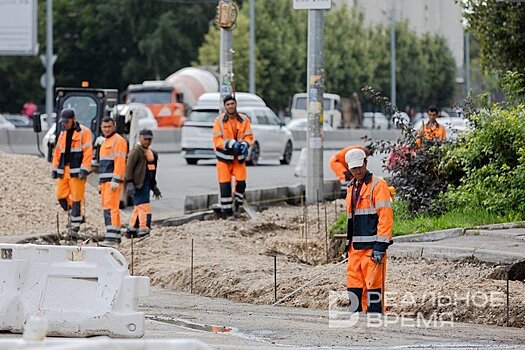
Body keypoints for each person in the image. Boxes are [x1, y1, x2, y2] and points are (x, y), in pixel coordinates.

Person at [344, 148, 393, 314]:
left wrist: (380, 246)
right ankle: (356, 324)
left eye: (359, 167)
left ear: (366, 163)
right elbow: (352, 219)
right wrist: (347, 246)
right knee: (354, 285)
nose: (357, 171)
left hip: (372, 248)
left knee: (374, 287)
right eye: (353, 168)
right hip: (355, 248)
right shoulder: (351, 187)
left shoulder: (378, 185)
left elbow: (385, 217)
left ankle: (375, 320)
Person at [51, 109, 93, 236]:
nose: (65, 124)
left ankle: (74, 229)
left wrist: (85, 169)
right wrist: (54, 168)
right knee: (60, 195)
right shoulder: (63, 134)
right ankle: (77, 216)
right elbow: (57, 152)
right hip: (64, 170)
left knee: (76, 199)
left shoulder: (84, 132)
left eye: (67, 122)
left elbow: (88, 152)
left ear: (73, 119)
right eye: (63, 122)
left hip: (77, 171)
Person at [212, 95, 254, 218]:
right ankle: (228, 213)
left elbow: (249, 136)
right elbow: (217, 140)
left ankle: (237, 202)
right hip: (224, 159)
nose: (230, 106)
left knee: (241, 183)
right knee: (225, 186)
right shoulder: (219, 121)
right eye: (228, 104)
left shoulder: (244, 120)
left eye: (232, 104)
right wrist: (231, 144)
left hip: (238, 159)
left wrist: (245, 144)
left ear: (236, 104)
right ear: (224, 107)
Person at [125, 129, 162, 239]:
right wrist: (130, 182)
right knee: (143, 207)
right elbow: (129, 169)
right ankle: (143, 227)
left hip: (145, 183)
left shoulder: (152, 153)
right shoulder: (136, 152)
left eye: (149, 139)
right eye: (145, 139)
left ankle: (132, 228)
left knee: (139, 207)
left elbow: (152, 172)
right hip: (138, 184)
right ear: (140, 138)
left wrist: (153, 186)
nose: (147, 141)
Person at [98, 117, 128, 247]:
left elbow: (120, 162)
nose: (107, 129)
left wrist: (116, 179)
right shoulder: (105, 142)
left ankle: (112, 237)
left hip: (112, 180)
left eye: (109, 127)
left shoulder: (119, 141)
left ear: (114, 127)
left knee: (111, 208)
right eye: (104, 127)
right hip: (105, 180)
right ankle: (112, 234)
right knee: (107, 208)